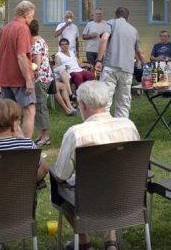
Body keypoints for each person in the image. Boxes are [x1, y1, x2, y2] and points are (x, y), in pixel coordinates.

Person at [52, 81, 140, 250]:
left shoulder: (76, 133)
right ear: (107, 102)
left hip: (89, 200)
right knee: (114, 179)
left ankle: (84, 241)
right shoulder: (128, 125)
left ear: (83, 105)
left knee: (57, 185)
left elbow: (61, 175)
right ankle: (110, 238)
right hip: (127, 195)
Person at [0, 0, 36, 139]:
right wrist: (28, 80)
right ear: (27, 14)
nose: (32, 18)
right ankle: (25, 148)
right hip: (19, 78)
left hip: (4, 78)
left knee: (10, 115)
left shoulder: (6, 28)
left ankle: (12, 144)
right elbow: (21, 56)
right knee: (29, 111)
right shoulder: (23, 28)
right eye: (32, 15)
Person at [95, 7, 146, 118]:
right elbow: (140, 52)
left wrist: (99, 60)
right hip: (127, 70)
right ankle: (122, 131)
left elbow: (104, 39)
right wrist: (146, 66)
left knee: (105, 100)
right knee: (123, 102)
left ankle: (104, 129)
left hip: (110, 67)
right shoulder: (133, 30)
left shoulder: (111, 23)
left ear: (116, 15)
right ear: (128, 17)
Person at [30, 19, 54, 146]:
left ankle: (45, 137)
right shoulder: (40, 40)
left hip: (40, 79)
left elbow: (36, 65)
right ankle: (41, 135)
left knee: (41, 107)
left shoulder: (37, 43)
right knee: (39, 106)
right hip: (45, 77)